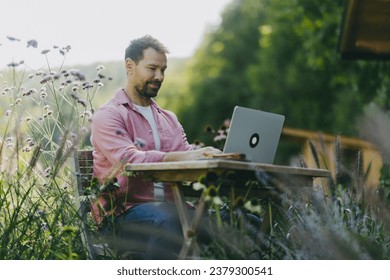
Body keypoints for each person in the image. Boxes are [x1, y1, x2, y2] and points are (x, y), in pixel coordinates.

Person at [90, 35, 221, 259]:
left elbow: (186, 154)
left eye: (163, 70)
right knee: (170, 219)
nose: (159, 77)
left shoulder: (168, 118)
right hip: (124, 215)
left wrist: (211, 156)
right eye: (152, 68)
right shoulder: (109, 115)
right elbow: (128, 160)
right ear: (129, 66)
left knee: (244, 222)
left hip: (175, 209)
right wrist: (181, 158)